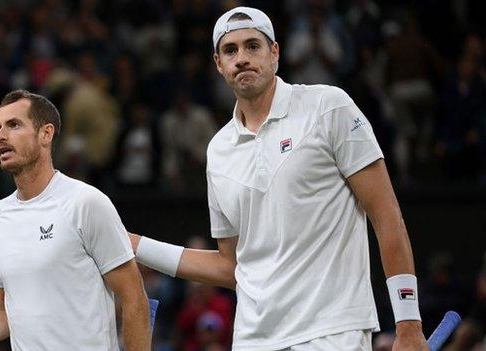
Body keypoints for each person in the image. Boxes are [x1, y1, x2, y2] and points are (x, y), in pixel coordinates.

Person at [130, 6, 428, 350]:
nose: (242, 58)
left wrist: (408, 324)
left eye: (252, 46)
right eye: (231, 50)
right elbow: (232, 267)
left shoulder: (329, 107)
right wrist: (136, 245)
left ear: (275, 53)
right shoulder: (218, 151)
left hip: (330, 333)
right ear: (218, 63)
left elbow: (387, 217)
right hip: (251, 340)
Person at [0, 90, 151, 351]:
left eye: (13, 125)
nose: (0, 136)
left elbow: (134, 299)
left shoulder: (85, 202)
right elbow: (6, 306)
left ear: (46, 134)